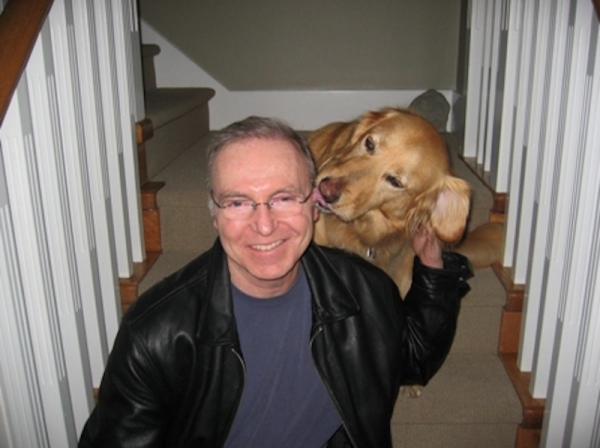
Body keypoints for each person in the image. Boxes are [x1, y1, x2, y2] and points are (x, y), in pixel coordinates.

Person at [78, 116, 472, 448]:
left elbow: (413, 360)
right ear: (214, 214)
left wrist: (433, 269)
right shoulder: (156, 332)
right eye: (238, 202)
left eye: (284, 198)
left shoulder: (363, 290)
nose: (264, 225)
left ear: (314, 204)